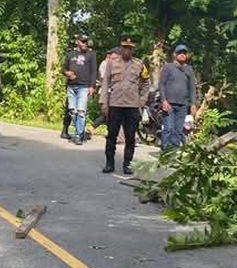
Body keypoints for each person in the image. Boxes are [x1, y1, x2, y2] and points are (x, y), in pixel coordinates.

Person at [101, 38, 149, 175]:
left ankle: (127, 164)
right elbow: (105, 83)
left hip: (132, 105)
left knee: (130, 137)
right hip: (115, 103)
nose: (127, 50)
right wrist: (104, 102)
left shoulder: (139, 64)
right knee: (112, 135)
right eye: (124, 48)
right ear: (121, 49)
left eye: (130, 48)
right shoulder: (112, 63)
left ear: (133, 50)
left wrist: (142, 100)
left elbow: (146, 82)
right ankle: (109, 163)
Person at [159, 44, 197, 150]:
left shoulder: (189, 69)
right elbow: (161, 84)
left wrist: (193, 104)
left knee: (178, 130)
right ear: (175, 54)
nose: (182, 55)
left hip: (183, 105)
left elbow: (192, 88)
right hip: (169, 103)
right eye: (180, 53)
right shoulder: (168, 67)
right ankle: (165, 152)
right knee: (169, 129)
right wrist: (163, 101)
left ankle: (173, 153)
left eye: (184, 53)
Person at [62, 35, 97, 144]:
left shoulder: (91, 55)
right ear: (77, 42)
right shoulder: (70, 54)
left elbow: (93, 71)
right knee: (73, 111)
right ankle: (80, 132)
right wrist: (66, 73)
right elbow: (63, 68)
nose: (85, 43)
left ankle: (78, 135)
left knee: (81, 111)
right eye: (83, 41)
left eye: (86, 41)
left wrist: (92, 86)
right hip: (71, 86)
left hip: (84, 86)